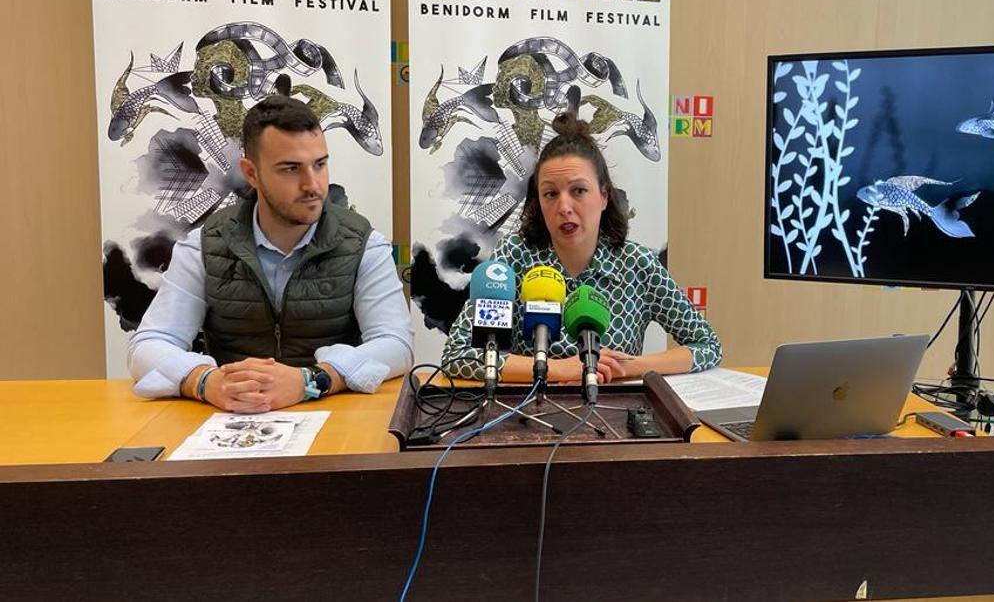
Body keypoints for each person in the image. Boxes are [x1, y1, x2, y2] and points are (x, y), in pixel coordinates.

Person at [127, 93, 414, 412]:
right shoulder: (205, 245)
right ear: (251, 173)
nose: (313, 185)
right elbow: (148, 346)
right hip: (232, 423)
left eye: (319, 164)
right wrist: (206, 382)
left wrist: (313, 380)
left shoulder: (362, 244)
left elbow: (395, 345)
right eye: (291, 169)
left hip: (334, 419)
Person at [442, 112, 721, 382]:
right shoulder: (514, 257)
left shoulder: (638, 264)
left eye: (578, 191)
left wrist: (633, 366)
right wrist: (555, 369)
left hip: (615, 418)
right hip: (533, 415)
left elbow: (707, 346)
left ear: (603, 196)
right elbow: (457, 356)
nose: (564, 207)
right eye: (550, 194)